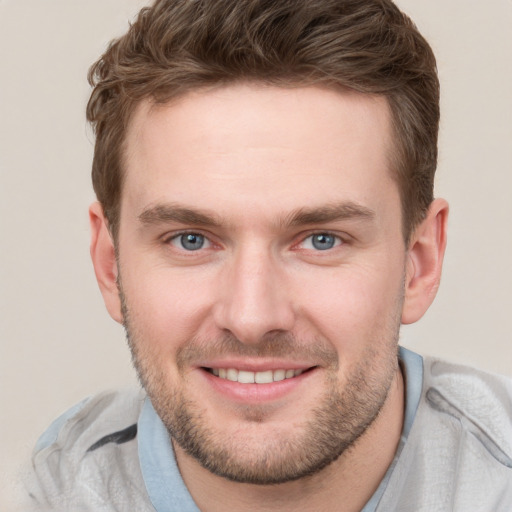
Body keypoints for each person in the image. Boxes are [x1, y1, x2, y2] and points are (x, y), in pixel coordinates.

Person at [25, 0, 512, 510]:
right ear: (110, 264)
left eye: (321, 240)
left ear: (420, 263)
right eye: (191, 239)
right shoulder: (51, 491)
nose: (252, 318)